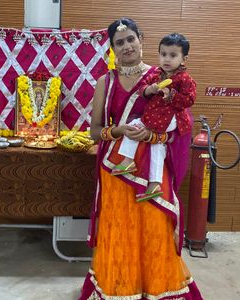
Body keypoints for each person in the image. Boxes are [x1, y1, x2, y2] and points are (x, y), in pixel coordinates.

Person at [79, 18, 203, 300]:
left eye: (131, 39)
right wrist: (119, 130)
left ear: (141, 39)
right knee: (120, 233)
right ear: (112, 48)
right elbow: (95, 133)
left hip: (153, 172)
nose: (126, 46)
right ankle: (121, 289)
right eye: (119, 43)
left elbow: (182, 124)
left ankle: (158, 289)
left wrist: (156, 138)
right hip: (117, 169)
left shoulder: (162, 76)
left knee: (155, 230)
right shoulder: (105, 83)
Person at [113, 33, 196, 202]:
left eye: (173, 55)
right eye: (163, 54)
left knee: (137, 124)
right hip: (157, 117)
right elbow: (142, 89)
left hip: (173, 118)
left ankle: (128, 159)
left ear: (183, 59)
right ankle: (154, 185)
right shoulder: (157, 74)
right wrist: (149, 89)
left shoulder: (184, 78)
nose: (166, 59)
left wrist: (171, 95)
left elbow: (189, 99)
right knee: (156, 146)